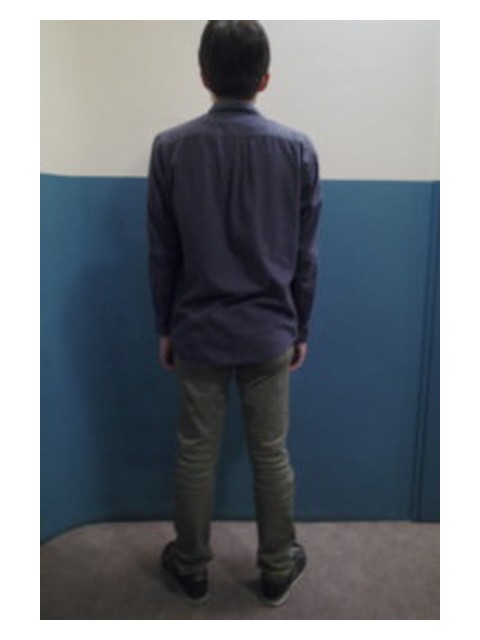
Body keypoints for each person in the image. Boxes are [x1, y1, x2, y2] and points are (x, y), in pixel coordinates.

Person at [147, 20, 322, 607]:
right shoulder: (297, 149)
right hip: (270, 329)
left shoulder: (170, 148)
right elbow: (305, 255)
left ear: (203, 75)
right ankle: (277, 567)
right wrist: (300, 326)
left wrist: (165, 326)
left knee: (195, 451)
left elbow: (163, 251)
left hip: (198, 328)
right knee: (271, 453)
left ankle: (191, 567)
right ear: (265, 79)